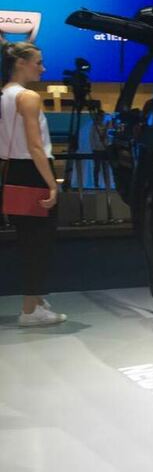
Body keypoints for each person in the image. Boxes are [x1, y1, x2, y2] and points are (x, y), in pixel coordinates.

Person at [0, 41, 66, 326]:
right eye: (38, 62)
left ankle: (36, 301)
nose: (43, 68)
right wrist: (52, 183)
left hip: (12, 170)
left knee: (28, 239)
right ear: (21, 63)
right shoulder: (27, 97)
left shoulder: (4, 94)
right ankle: (30, 309)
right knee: (39, 243)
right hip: (32, 170)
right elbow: (35, 145)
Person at [89, 108, 112, 190]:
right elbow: (91, 138)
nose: (102, 117)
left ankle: (106, 184)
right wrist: (93, 148)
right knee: (97, 167)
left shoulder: (105, 126)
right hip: (97, 149)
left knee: (105, 167)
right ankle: (96, 184)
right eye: (101, 116)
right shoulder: (94, 126)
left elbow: (108, 136)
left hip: (104, 149)